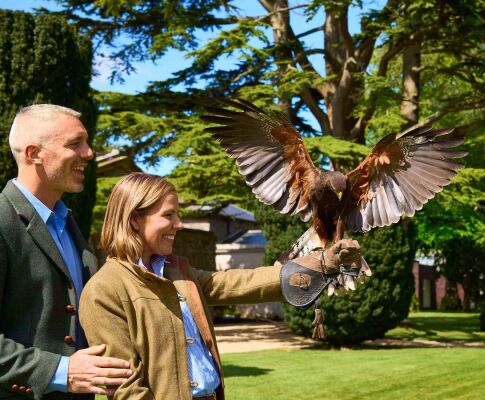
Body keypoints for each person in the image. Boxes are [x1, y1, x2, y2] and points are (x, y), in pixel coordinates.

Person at [79, 172, 362, 400]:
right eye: (168, 215)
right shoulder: (104, 291)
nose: (179, 224)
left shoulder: (177, 271)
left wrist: (319, 263)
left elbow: (235, 283)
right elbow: (126, 388)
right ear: (134, 220)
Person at [0, 104, 133, 399]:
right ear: (34, 154)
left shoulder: (66, 223)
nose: (89, 153)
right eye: (75, 144)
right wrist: (62, 371)